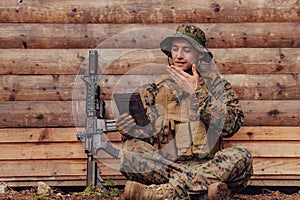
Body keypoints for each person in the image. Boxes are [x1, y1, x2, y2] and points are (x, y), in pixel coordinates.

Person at [116, 24, 253, 200]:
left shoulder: (217, 86)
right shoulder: (156, 89)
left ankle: (166, 192)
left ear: (200, 54)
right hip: (168, 167)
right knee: (130, 151)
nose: (179, 55)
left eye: (186, 50)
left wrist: (197, 92)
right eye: (175, 49)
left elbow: (230, 126)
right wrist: (129, 129)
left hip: (210, 165)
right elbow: (146, 137)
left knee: (243, 156)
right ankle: (202, 192)